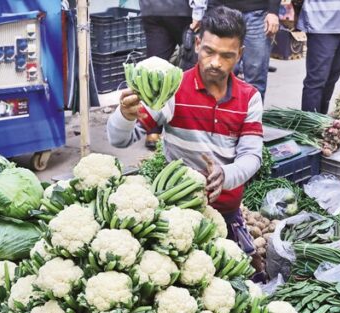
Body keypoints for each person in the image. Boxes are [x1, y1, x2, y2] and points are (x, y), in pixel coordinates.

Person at [107, 6, 263, 260]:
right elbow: (120, 139)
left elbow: (252, 156)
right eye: (209, 51)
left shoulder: (249, 98)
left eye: (226, 55)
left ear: (240, 54)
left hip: (225, 212)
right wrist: (125, 115)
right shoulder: (173, 88)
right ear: (198, 43)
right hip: (175, 213)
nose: (215, 62)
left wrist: (226, 174)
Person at [139, 0, 206, 149]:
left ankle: (153, 131)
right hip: (183, 11)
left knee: (155, 69)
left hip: (152, 9)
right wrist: (199, 11)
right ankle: (188, 129)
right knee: (191, 70)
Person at [208, 0, 280, 100]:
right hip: (223, 11)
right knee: (220, 74)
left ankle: (252, 114)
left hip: (258, 12)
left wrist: (273, 11)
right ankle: (221, 114)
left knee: (256, 77)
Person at [298, 0, 340, 113]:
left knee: (332, 76)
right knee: (317, 79)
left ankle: (321, 121)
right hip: (321, 23)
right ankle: (310, 127)